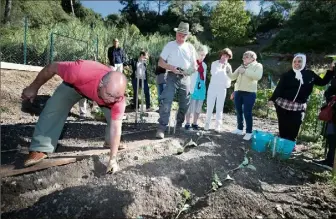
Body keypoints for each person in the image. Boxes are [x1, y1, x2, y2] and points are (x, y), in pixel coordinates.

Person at [21, 60, 127, 174]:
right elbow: (51, 67)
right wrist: (33, 87)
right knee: (54, 107)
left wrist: (112, 159)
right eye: (110, 95)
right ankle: (40, 147)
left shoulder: (117, 100)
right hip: (75, 87)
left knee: (113, 119)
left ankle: (110, 142)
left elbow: (116, 127)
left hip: (99, 95)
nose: (111, 100)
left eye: (116, 98)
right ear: (101, 84)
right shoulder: (79, 71)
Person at [269, 54, 335, 144]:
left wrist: (330, 72)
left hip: (298, 106)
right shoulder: (287, 75)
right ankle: (282, 147)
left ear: (303, 62)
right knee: (283, 127)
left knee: (294, 127)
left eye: (299, 61)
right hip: (283, 105)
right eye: (295, 62)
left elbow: (322, 82)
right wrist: (272, 99)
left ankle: (290, 146)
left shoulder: (309, 74)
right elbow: (279, 88)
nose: (297, 63)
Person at [155, 21, 197, 139]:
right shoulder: (170, 45)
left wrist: (188, 71)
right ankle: (161, 128)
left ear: (187, 36)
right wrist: (170, 67)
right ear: (176, 33)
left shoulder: (190, 47)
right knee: (166, 100)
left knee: (185, 104)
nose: (181, 37)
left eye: (183, 35)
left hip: (185, 77)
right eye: (179, 34)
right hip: (171, 76)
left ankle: (178, 127)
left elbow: (194, 66)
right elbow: (160, 62)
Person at [228, 51, 263, 141]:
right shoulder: (241, 66)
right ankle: (239, 129)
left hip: (250, 93)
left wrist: (245, 71)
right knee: (239, 111)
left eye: (246, 57)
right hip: (238, 92)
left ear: (253, 58)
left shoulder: (258, 66)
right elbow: (232, 77)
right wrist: (227, 70)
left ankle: (249, 132)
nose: (244, 59)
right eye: (243, 57)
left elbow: (258, 76)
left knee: (247, 112)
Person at [204, 48, 233, 132]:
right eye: (224, 55)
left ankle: (218, 126)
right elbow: (214, 73)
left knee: (219, 107)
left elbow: (229, 78)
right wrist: (222, 68)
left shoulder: (229, 66)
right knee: (210, 106)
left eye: (227, 56)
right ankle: (207, 124)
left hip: (222, 88)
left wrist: (227, 84)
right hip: (213, 87)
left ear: (228, 57)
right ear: (221, 55)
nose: (225, 57)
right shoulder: (214, 63)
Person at [185, 45, 209, 130]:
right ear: (197, 53)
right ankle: (187, 123)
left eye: (204, 55)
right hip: (193, 87)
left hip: (201, 88)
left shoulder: (205, 65)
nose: (203, 57)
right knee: (190, 106)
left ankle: (194, 123)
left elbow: (204, 77)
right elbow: (187, 75)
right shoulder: (192, 63)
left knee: (198, 107)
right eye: (201, 54)